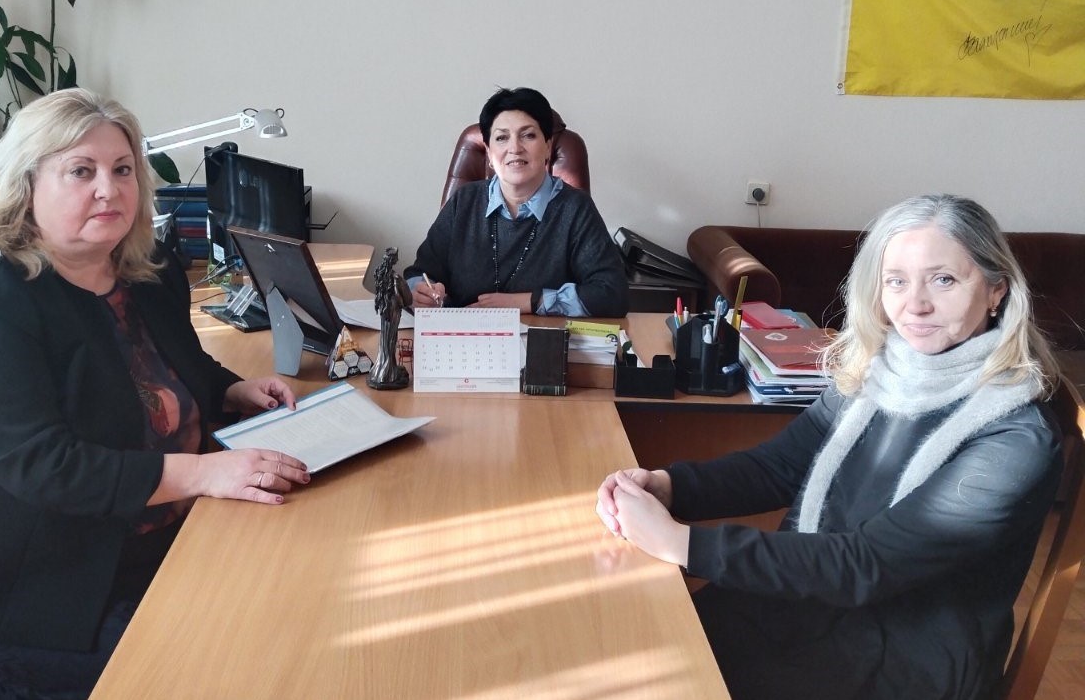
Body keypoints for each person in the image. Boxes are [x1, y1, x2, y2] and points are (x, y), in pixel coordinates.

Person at [0, 89, 310, 700]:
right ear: (26, 186)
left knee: (283, 614)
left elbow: (175, 362)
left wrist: (233, 389)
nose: (109, 190)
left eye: (122, 169)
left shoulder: (146, 267)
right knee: (197, 676)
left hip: (135, 533)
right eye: (81, 171)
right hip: (15, 577)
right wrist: (204, 473)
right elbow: (46, 467)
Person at [596, 194, 1063, 700]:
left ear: (996, 290)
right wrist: (670, 487)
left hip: (906, 660)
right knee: (623, 647)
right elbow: (778, 467)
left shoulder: (1016, 439)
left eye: (943, 279)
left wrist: (679, 544)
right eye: (896, 281)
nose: (916, 303)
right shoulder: (876, 370)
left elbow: (868, 564)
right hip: (808, 601)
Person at [404, 87, 629, 317]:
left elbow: (612, 294)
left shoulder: (575, 209)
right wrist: (419, 293)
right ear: (489, 153)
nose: (514, 148)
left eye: (528, 135)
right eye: (502, 138)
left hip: (541, 337)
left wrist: (529, 301)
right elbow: (419, 274)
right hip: (465, 336)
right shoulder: (464, 201)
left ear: (548, 147)